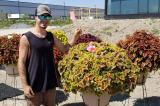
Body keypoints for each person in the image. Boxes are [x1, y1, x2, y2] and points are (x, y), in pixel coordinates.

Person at [18, 4, 82, 106]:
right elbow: (21, 62)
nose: (45, 19)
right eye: (42, 16)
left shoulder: (50, 36)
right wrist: (25, 85)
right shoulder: (26, 38)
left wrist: (75, 37)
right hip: (34, 83)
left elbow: (65, 49)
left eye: (48, 17)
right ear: (36, 17)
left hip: (50, 82)